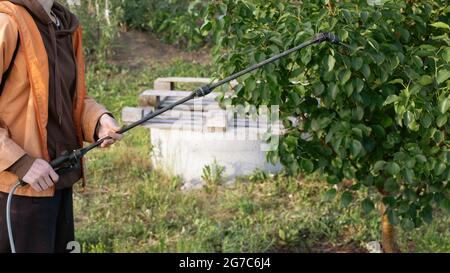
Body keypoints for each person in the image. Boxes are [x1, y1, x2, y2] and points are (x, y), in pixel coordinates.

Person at [0, 0, 123, 253]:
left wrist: (98, 121)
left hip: (59, 181)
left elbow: (68, 99)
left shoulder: (63, 24)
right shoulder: (6, 22)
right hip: (16, 193)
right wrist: (20, 162)